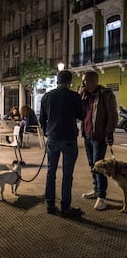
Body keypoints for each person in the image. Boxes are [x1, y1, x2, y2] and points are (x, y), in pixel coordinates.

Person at [40, 70, 86, 217]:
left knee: (50, 172)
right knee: (67, 174)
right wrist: (81, 99)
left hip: (52, 138)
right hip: (68, 140)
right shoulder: (74, 97)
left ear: (57, 81)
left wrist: (48, 132)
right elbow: (82, 116)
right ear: (69, 82)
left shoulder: (47, 96)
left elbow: (42, 119)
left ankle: (50, 204)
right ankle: (65, 207)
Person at [79, 70, 118, 211]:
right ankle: (96, 189)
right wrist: (80, 94)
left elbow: (113, 115)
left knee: (99, 165)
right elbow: (78, 112)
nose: (83, 83)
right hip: (87, 134)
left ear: (94, 81)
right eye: (83, 81)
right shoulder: (85, 95)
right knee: (92, 164)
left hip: (99, 136)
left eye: (85, 81)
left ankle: (102, 196)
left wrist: (109, 132)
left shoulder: (106, 94)